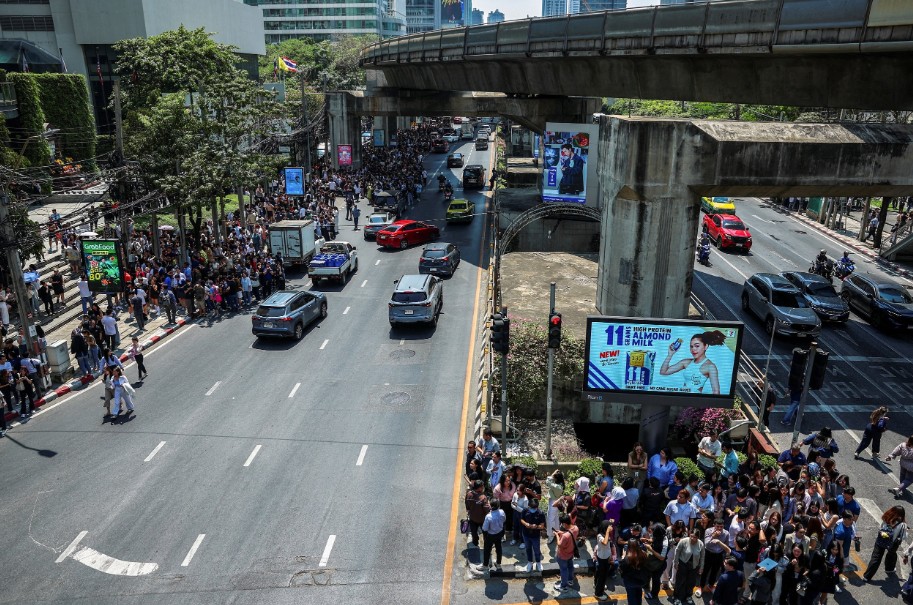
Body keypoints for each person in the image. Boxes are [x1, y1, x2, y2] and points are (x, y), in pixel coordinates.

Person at [659, 330, 726, 394]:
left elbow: (716, 391)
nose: (693, 349)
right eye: (691, 346)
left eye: (697, 346)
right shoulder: (686, 362)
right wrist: (670, 354)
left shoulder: (710, 366)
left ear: (706, 346)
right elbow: (663, 372)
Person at [863, 505, 906, 582]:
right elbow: (903, 536)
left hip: (881, 539)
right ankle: (889, 569)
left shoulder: (886, 517)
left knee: (876, 558)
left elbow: (881, 527)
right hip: (892, 543)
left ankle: (867, 576)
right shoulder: (902, 524)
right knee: (891, 555)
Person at [673, 528, 705, 605]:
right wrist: (675, 562)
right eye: (691, 536)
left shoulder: (700, 544)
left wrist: (701, 567)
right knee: (680, 581)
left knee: (691, 582)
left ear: (698, 537)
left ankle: (688, 596)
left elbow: (702, 557)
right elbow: (677, 551)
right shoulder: (683, 541)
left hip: (694, 566)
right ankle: (677, 597)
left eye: (695, 537)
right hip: (683, 563)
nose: (692, 538)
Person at [553, 513, 579, 595]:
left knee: (563, 570)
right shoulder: (576, 528)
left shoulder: (565, 536)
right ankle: (570, 580)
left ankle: (563, 586)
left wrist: (557, 535)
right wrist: (562, 532)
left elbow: (559, 544)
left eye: (562, 524)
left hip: (563, 555)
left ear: (564, 523)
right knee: (570, 567)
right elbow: (570, 534)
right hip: (571, 553)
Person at [479, 499, 506, 573]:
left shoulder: (488, 516)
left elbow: (485, 528)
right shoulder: (502, 512)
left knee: (487, 550)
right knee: (499, 548)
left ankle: (485, 565)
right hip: (499, 533)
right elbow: (504, 520)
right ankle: (498, 564)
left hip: (490, 535)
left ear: (490, 506)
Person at [619, 539, 649, 605]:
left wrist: (623, 557)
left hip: (630, 582)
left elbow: (621, 568)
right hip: (641, 580)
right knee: (638, 595)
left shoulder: (627, 558)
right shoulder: (644, 554)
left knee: (631, 598)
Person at [520, 498, 546, 573]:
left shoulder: (540, 513)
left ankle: (538, 562)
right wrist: (526, 524)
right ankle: (530, 562)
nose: (533, 509)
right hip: (526, 534)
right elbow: (521, 519)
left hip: (535, 535)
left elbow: (542, 526)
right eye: (531, 507)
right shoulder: (525, 511)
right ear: (529, 506)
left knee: (536, 549)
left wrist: (536, 526)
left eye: (534, 508)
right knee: (528, 549)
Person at [593, 520, 616, 601]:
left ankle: (596, 584)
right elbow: (605, 542)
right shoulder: (600, 536)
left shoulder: (605, 534)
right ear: (606, 528)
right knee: (602, 576)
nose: (611, 528)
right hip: (602, 558)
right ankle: (598, 593)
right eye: (609, 527)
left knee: (599, 573)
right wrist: (607, 531)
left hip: (605, 557)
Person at [464, 480, 490, 548]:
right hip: (482, 519)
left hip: (472, 518)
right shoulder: (483, 497)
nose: (483, 488)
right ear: (480, 488)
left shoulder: (469, 494)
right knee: (485, 532)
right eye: (482, 486)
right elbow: (486, 509)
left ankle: (475, 542)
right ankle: (487, 545)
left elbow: (467, 505)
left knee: (474, 532)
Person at [545, 470, 565, 542]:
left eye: (554, 477)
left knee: (550, 519)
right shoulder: (560, 484)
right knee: (556, 518)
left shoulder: (556, 486)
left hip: (553, 502)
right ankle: (557, 531)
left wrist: (552, 474)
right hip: (557, 501)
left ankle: (551, 535)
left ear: (556, 478)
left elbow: (547, 482)